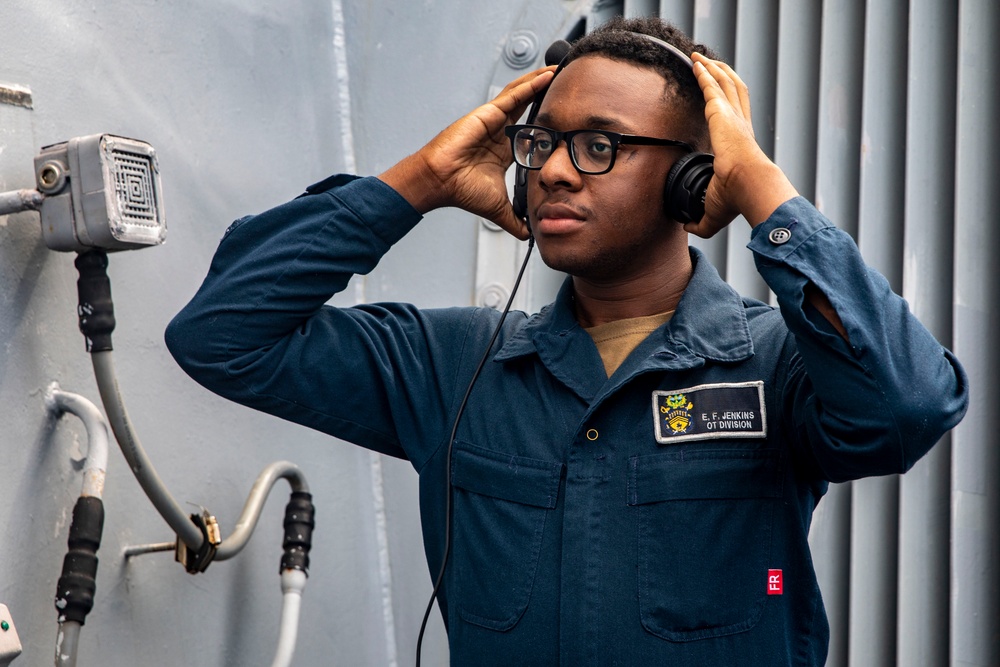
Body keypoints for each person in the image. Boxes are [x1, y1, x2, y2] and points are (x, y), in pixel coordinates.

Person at [166, 16, 968, 666]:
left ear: (693, 176)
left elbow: (909, 404)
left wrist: (760, 187)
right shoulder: (450, 368)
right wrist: (421, 180)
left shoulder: (776, 367)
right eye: (541, 143)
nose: (552, 170)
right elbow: (222, 333)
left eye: (599, 146)